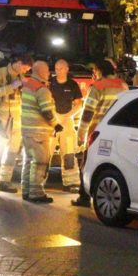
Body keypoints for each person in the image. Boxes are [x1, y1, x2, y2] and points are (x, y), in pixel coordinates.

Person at [72, 59, 128, 207]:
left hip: (97, 132)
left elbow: (88, 113)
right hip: (118, 132)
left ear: (99, 71)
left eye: (94, 71)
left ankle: (83, 197)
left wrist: (81, 135)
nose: (93, 74)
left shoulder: (97, 87)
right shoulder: (123, 86)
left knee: (86, 163)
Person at [0, 53, 33, 197]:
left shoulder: (21, 78)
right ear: (18, 62)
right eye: (25, 67)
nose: (25, 71)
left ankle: (5, 182)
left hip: (15, 120)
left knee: (12, 153)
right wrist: (11, 87)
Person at [20, 60, 56, 204]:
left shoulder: (27, 86)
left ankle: (26, 190)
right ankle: (36, 192)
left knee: (28, 160)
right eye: (47, 70)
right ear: (41, 72)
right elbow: (47, 111)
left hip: (27, 131)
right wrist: (56, 125)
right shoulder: (42, 90)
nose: (48, 73)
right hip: (39, 133)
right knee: (40, 161)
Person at [49, 58, 84, 193]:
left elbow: (79, 104)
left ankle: (71, 183)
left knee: (69, 152)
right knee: (46, 152)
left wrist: (68, 116)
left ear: (67, 69)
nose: (59, 71)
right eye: (57, 69)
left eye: (61, 68)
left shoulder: (73, 85)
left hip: (67, 122)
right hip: (52, 122)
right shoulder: (50, 84)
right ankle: (39, 181)